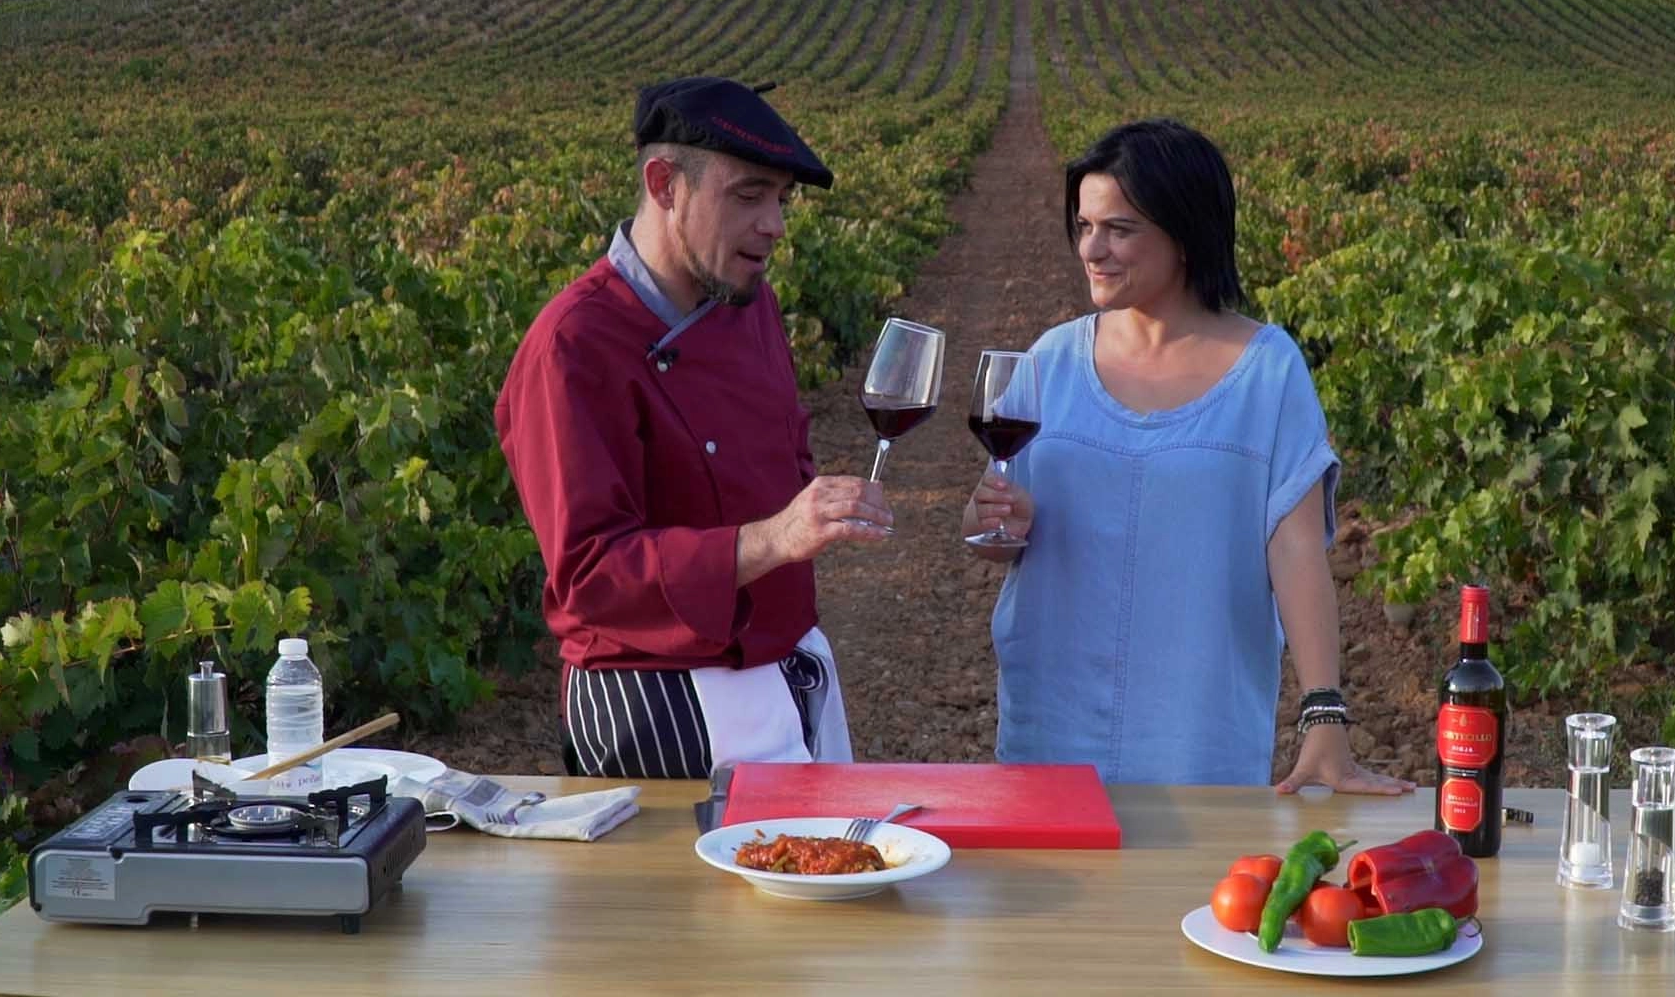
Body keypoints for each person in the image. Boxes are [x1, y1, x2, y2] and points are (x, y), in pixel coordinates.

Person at [960, 118, 1411, 793]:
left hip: (1201, 738)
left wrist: (1325, 714)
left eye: (1120, 228)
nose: (1094, 248)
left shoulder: (1267, 371)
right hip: (1051, 732)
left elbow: (1295, 552)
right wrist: (991, 517)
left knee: (1192, 900)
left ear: (1185, 232)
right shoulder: (1049, 362)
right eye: (1084, 226)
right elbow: (998, 536)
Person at [497, 77, 894, 779]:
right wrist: (773, 539)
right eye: (749, 195)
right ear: (664, 184)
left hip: (782, 667)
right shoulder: (575, 344)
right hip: (659, 698)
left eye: (781, 199)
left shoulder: (749, 302)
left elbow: (784, 448)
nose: (773, 223)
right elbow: (590, 574)